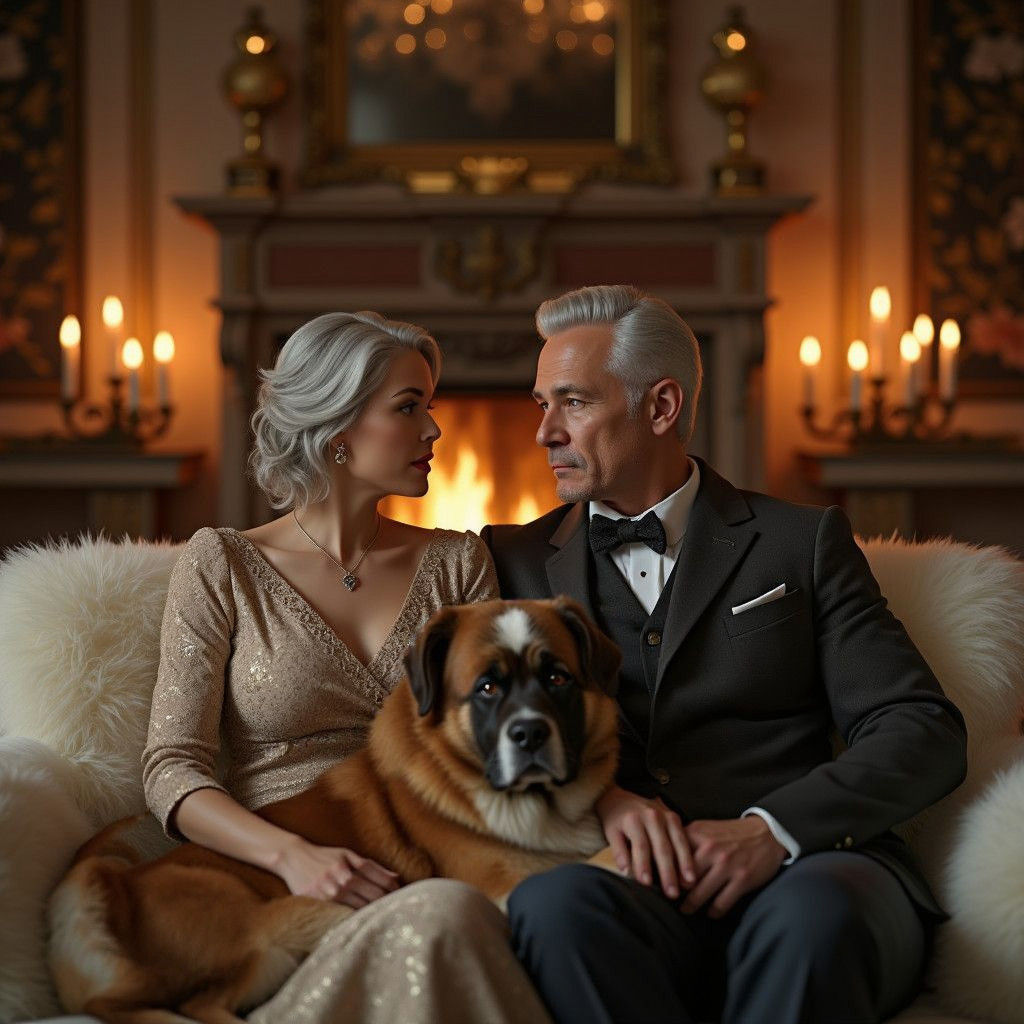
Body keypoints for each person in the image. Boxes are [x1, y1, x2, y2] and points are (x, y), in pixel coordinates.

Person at [481, 285, 968, 1024]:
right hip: (622, 884)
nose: (545, 432)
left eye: (573, 402)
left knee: (816, 920)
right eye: (541, 404)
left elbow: (920, 726)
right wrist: (601, 799)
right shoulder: (507, 561)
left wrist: (770, 831)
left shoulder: (801, 543)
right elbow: (462, 733)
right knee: (553, 905)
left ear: (662, 406)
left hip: (811, 871)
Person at [142, 310, 551, 1024]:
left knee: (456, 912)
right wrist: (293, 857)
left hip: (436, 856)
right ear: (336, 428)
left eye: (431, 407)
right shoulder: (224, 564)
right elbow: (173, 768)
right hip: (276, 888)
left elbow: (499, 735)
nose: (433, 431)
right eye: (408, 408)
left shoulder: (459, 562)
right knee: (445, 920)